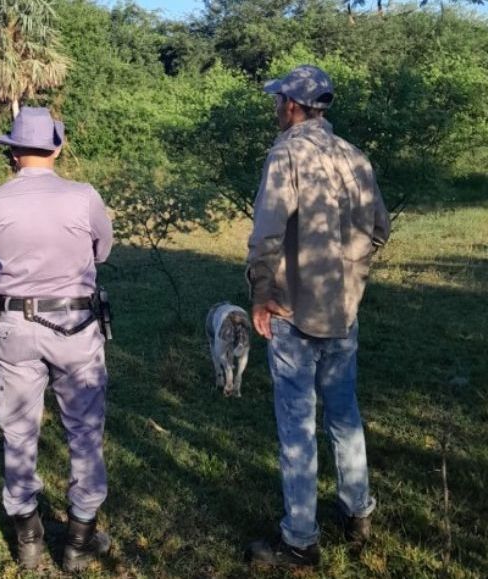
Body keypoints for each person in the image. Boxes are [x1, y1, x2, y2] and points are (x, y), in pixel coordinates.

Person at [244, 65, 391, 568]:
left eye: (278, 101)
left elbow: (266, 232)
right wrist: (351, 272)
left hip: (293, 312)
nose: (276, 109)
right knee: (345, 415)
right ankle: (359, 514)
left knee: (297, 426)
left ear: (291, 105)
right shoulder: (354, 155)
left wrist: (262, 291)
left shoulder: (286, 153)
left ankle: (300, 540)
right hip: (343, 312)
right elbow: (380, 228)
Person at [0, 107, 113, 572]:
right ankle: (79, 538)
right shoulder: (84, 195)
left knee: (18, 431)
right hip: (76, 327)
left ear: (14, 152)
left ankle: (28, 536)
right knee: (84, 432)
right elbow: (103, 249)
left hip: (15, 326)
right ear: (56, 147)